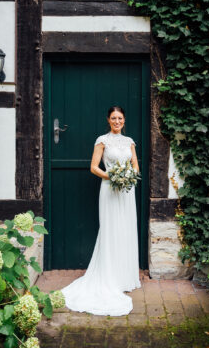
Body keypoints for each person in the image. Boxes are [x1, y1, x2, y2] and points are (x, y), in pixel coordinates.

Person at [60, 106, 141, 316]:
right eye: (113, 118)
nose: (117, 121)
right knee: (110, 229)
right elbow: (94, 167)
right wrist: (112, 176)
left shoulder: (129, 141)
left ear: (124, 120)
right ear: (108, 120)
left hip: (127, 191)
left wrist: (129, 177)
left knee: (125, 230)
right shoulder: (102, 140)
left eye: (120, 118)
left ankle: (124, 277)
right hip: (109, 189)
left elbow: (136, 166)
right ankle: (109, 276)